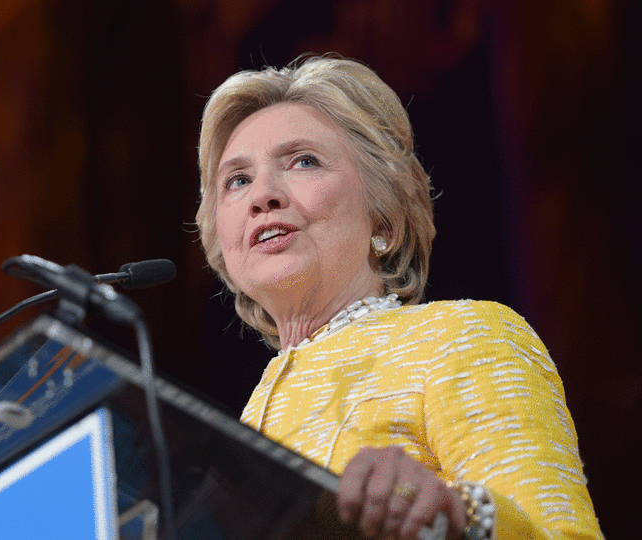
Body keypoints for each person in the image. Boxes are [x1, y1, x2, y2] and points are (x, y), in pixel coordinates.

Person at [195, 55, 603, 540]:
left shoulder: (464, 336)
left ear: (383, 218)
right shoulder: (246, 423)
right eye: (237, 180)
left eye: (304, 161)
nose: (263, 195)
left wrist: (459, 518)